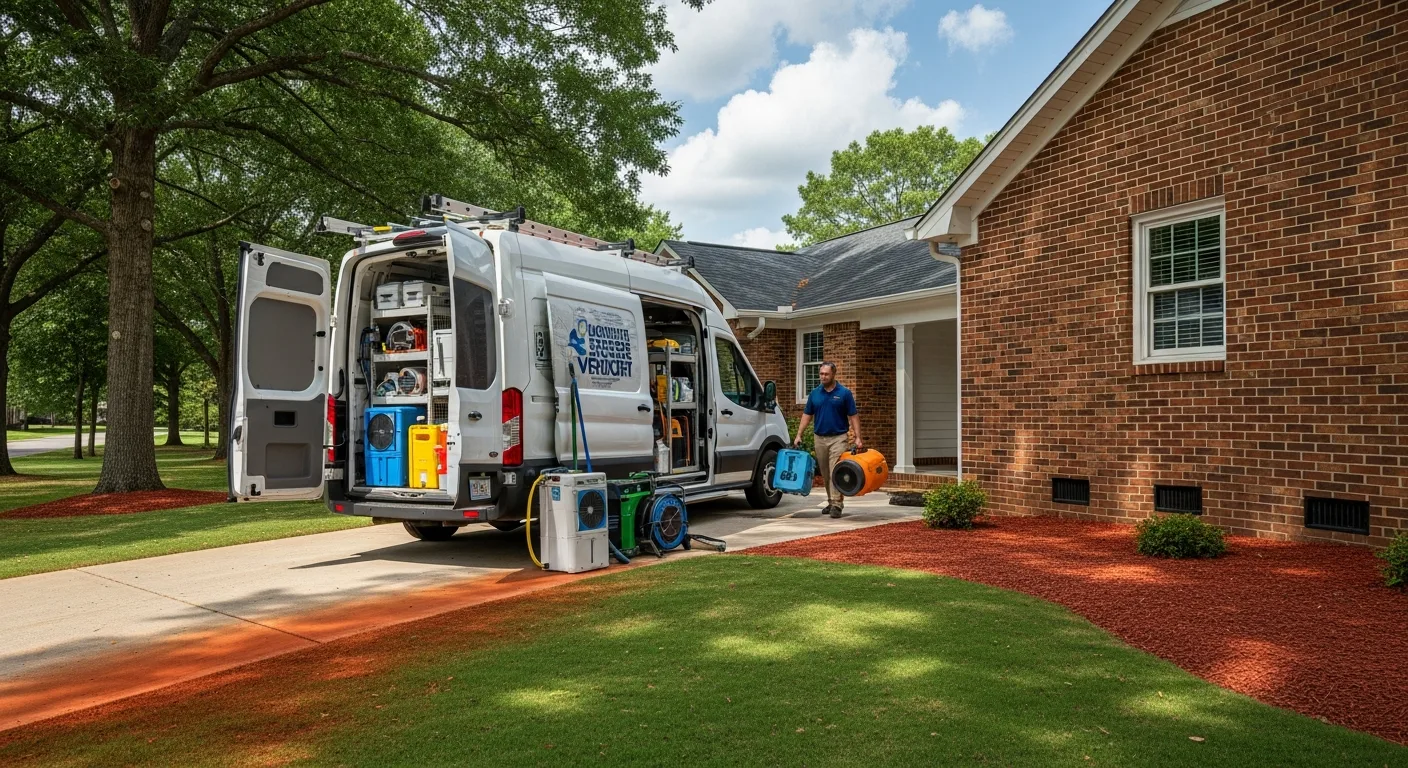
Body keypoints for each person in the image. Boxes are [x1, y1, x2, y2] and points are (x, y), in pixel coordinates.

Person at [794, 361, 861, 518]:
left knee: (834, 471)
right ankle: (831, 501)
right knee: (824, 473)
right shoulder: (815, 394)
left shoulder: (844, 393)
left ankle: (837, 504)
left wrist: (858, 437)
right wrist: (799, 434)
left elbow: (853, 415)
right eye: (821, 374)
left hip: (838, 438)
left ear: (833, 374)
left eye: (826, 374)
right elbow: (807, 415)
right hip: (820, 438)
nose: (823, 377)